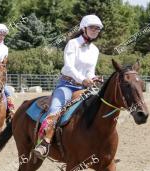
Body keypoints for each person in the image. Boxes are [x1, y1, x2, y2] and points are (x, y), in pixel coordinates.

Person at [33, 14, 103, 158]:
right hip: (67, 85)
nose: (95, 30)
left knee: (98, 108)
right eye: (92, 27)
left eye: (98, 28)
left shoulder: (95, 50)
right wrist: (83, 79)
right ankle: (44, 142)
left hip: (84, 87)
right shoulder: (72, 44)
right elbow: (69, 67)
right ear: (84, 28)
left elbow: (90, 71)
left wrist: (92, 78)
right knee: (55, 109)